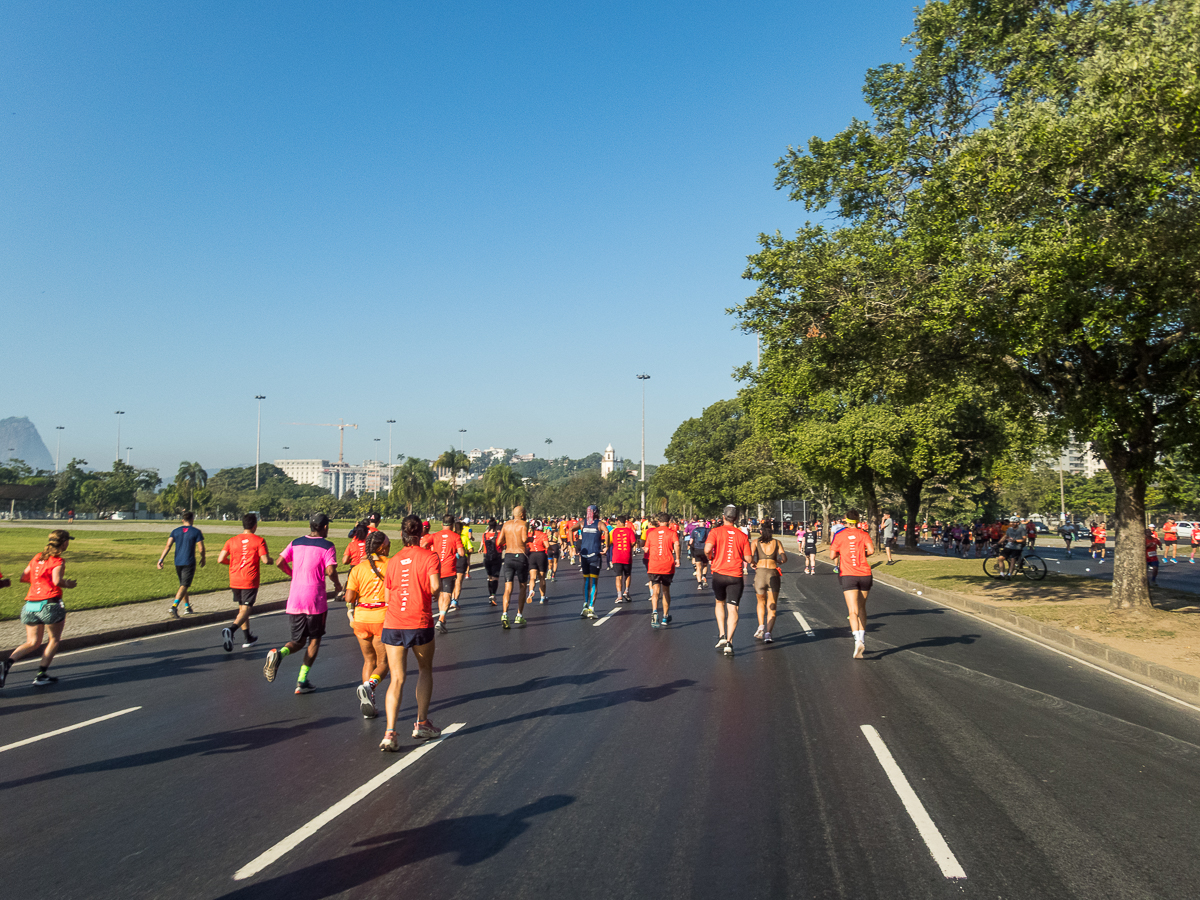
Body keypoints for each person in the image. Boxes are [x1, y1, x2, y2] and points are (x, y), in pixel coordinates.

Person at [379, 515, 442, 749]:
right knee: (425, 670)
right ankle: (422, 722)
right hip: (419, 620)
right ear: (420, 535)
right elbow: (435, 586)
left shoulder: (393, 561)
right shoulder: (429, 556)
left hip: (394, 622)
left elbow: (387, 597)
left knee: (396, 678)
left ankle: (390, 733)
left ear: (401, 535)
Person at [264, 513, 341, 694]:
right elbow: (330, 570)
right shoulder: (327, 546)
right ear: (323, 527)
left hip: (295, 599)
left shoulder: (296, 542)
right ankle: (302, 680)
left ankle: (279, 653)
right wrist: (337, 585)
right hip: (315, 600)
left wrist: (293, 575)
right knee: (314, 640)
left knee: (297, 641)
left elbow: (279, 561)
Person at [1, 530, 76, 688]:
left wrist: (38, 583)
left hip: (31, 605)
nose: (68, 543)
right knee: (54, 640)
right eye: (67, 541)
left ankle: (6, 664)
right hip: (50, 603)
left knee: (32, 642)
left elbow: (24, 577)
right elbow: (56, 581)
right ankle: (41, 675)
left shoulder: (37, 557)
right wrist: (68, 584)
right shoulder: (58, 560)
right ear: (63, 543)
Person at [345, 530, 390, 718]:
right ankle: (369, 686)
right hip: (381, 617)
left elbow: (349, 597)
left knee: (368, 661)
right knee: (383, 663)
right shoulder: (390, 565)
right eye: (387, 543)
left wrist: (351, 610)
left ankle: (368, 699)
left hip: (361, 618)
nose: (389, 546)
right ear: (380, 547)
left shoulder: (358, 568)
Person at [217, 513, 272, 651]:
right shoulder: (259, 540)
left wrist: (233, 563)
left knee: (242, 609)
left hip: (235, 578)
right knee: (247, 609)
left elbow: (220, 559)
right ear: (255, 525)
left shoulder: (232, 540)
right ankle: (231, 630)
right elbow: (265, 560)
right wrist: (271, 560)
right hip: (249, 579)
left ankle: (248, 637)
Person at [705, 505, 752, 657]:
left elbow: (707, 549)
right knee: (733, 608)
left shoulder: (715, 532)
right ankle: (730, 643)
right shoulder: (742, 535)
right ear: (736, 518)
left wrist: (711, 557)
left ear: (723, 516)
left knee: (719, 602)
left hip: (719, 573)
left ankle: (722, 635)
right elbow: (749, 558)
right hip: (735, 576)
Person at [828, 509, 875, 659]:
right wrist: (861, 554)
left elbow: (831, 556)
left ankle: (858, 640)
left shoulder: (840, 535)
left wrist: (844, 553)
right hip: (865, 574)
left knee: (852, 610)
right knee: (862, 608)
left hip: (849, 574)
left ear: (845, 520)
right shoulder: (864, 534)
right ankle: (863, 636)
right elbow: (872, 550)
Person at [156, 511, 205, 617]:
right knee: (184, 585)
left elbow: (168, 545)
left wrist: (161, 559)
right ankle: (174, 607)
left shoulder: (175, 531)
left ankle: (187, 607)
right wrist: (203, 558)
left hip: (178, 561)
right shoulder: (196, 532)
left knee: (183, 585)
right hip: (189, 561)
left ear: (183, 520)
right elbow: (201, 547)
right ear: (192, 519)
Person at [430, 515, 465, 632]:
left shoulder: (435, 536)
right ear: (452, 524)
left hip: (436, 568)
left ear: (442, 524)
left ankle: (441, 617)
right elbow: (462, 553)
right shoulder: (455, 536)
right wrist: (456, 553)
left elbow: (425, 545)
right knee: (447, 593)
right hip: (449, 568)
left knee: (440, 593)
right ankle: (442, 618)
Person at [752, 522, 787, 642]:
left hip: (760, 573)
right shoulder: (777, 542)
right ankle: (768, 633)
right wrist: (779, 561)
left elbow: (750, 558)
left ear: (760, 531)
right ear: (772, 531)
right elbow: (784, 558)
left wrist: (753, 564)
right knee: (772, 605)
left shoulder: (755, 542)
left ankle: (761, 626)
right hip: (773, 573)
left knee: (760, 602)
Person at [645, 513, 679, 628]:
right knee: (666, 591)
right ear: (669, 521)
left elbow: (646, 549)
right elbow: (677, 544)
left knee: (655, 591)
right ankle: (665, 616)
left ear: (658, 522)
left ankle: (654, 612)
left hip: (654, 565)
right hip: (667, 565)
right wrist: (678, 559)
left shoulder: (651, 533)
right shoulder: (672, 533)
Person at [497, 506, 530, 628]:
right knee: (522, 587)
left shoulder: (506, 524)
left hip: (509, 556)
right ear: (522, 514)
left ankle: (505, 614)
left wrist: (508, 541)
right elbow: (524, 539)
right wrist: (529, 539)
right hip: (521, 556)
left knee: (507, 587)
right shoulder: (524, 524)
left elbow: (499, 541)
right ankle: (519, 616)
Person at [578, 505, 608, 618]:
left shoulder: (582, 523)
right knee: (594, 582)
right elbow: (606, 532)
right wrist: (606, 547)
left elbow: (571, 529)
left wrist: (573, 545)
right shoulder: (599, 524)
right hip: (595, 555)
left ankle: (585, 605)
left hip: (584, 556)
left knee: (586, 581)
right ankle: (591, 607)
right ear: (596, 513)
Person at [609, 515, 637, 601]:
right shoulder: (629, 531)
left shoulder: (613, 531)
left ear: (619, 522)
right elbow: (633, 542)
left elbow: (609, 542)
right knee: (627, 575)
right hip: (627, 556)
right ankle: (626, 591)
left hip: (617, 557)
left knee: (618, 576)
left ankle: (619, 596)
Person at [481, 518, 503, 605]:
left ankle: (490, 595)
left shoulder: (484, 534)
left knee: (489, 577)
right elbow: (502, 545)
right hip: (497, 557)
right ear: (496, 525)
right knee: (495, 578)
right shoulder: (499, 534)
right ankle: (493, 594)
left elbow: (483, 545)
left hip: (486, 558)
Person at [527, 521, 550, 603]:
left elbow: (526, 545)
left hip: (532, 555)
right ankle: (542, 597)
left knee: (532, 577)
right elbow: (547, 545)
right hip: (541, 555)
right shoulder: (543, 535)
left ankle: (531, 591)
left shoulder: (530, 535)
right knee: (542, 578)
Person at [690, 518, 711, 587]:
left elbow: (691, 542)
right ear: (705, 523)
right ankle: (704, 576)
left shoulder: (694, 530)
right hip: (705, 550)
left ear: (699, 523)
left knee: (698, 567)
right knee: (705, 565)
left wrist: (692, 551)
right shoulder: (708, 531)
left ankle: (699, 584)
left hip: (697, 550)